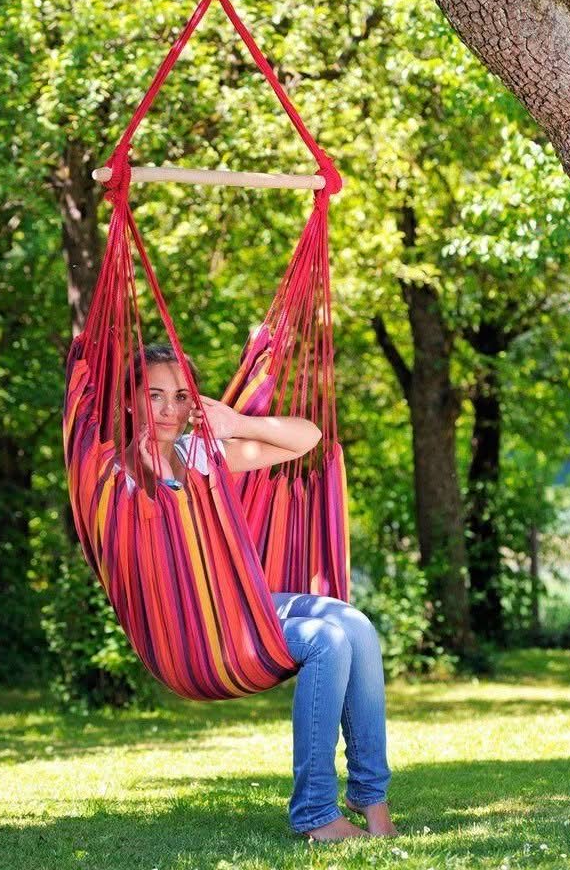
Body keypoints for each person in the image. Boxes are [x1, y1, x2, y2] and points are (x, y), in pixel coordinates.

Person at [122, 343, 396, 841]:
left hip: (239, 604)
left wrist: (235, 423)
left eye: (181, 397)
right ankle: (316, 814)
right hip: (193, 628)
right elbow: (157, 541)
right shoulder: (116, 475)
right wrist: (154, 473)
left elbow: (306, 439)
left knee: (353, 623)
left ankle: (368, 794)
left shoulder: (200, 454)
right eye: (154, 395)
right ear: (129, 401)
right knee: (323, 640)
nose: (168, 409)